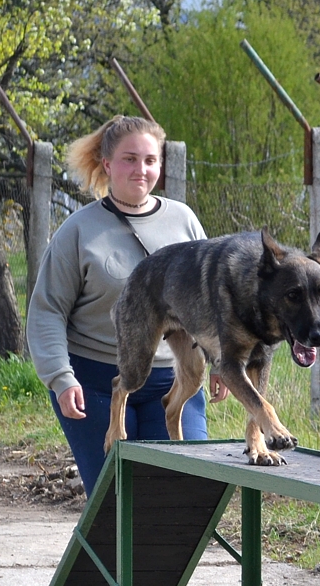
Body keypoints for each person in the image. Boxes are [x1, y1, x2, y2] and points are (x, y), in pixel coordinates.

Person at [28, 114, 228, 504]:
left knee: (186, 496)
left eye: (150, 160)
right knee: (118, 503)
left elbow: (208, 302)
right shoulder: (79, 230)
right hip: (94, 383)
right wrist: (60, 378)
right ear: (107, 164)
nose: (141, 169)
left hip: (172, 380)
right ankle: (111, 547)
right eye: (129, 159)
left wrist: (219, 360)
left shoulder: (184, 221)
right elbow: (47, 310)